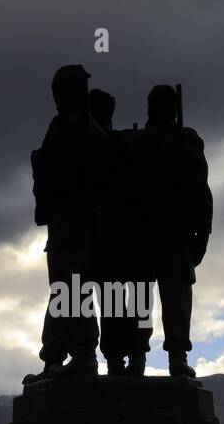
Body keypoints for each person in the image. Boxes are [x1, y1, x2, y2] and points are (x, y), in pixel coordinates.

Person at [23, 65, 109, 385]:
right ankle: (56, 358)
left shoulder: (65, 127)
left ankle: (82, 355)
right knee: (68, 291)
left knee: (70, 291)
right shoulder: (95, 133)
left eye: (58, 92)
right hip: (85, 225)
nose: (56, 99)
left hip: (71, 224)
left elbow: (59, 177)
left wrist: (40, 169)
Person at [132, 84, 212, 378]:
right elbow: (201, 192)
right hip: (172, 231)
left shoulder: (134, 142)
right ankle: (175, 357)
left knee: (142, 296)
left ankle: (138, 355)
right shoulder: (185, 140)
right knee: (175, 296)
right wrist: (202, 234)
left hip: (142, 231)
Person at [89, 88, 148, 377]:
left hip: (112, 235)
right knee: (134, 299)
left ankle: (121, 360)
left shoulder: (97, 146)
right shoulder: (131, 143)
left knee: (115, 301)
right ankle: (132, 358)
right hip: (131, 234)